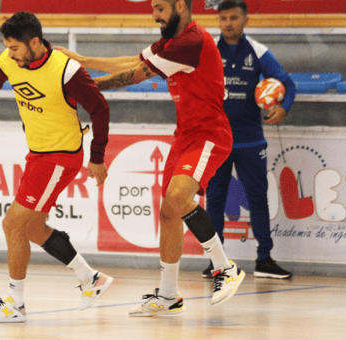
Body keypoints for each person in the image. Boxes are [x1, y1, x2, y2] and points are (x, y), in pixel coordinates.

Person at [56, 0, 244, 316]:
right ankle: (169, 295)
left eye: (159, 8)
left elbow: (134, 75)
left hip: (208, 135)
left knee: (177, 197)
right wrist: (82, 60)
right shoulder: (170, 42)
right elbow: (134, 60)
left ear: (181, 6)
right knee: (168, 213)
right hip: (184, 136)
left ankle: (224, 267)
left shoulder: (191, 41)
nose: (154, 14)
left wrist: (81, 91)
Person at [0, 11, 113, 323]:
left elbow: (100, 109)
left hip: (60, 156)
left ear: (34, 42)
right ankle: (90, 278)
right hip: (38, 154)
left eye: (15, 48)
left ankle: (16, 304)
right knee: (30, 228)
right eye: (7, 48)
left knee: (12, 224)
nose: (10, 55)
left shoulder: (66, 71)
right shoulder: (9, 60)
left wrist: (97, 158)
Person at [201, 0, 295, 280]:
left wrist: (283, 107)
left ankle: (264, 260)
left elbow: (287, 83)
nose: (228, 23)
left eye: (233, 18)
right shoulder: (207, 51)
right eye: (223, 19)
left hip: (251, 141)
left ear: (245, 20)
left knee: (258, 200)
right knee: (214, 200)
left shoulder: (258, 52)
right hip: (216, 141)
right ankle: (216, 262)